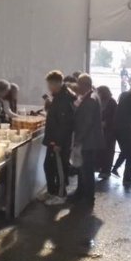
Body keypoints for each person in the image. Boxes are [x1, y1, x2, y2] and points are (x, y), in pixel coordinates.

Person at [41, 70, 76, 205]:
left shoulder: (64, 99)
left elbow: (64, 124)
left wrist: (58, 143)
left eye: (49, 85)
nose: (48, 87)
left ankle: (61, 195)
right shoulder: (59, 96)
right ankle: (51, 192)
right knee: (48, 166)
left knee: (59, 169)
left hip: (59, 141)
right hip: (53, 139)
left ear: (55, 84)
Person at [71, 74, 104, 205]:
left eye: (79, 84)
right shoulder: (92, 96)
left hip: (88, 141)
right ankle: (80, 192)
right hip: (90, 140)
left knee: (87, 170)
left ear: (84, 85)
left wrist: (78, 139)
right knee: (83, 168)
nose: (77, 87)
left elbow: (87, 123)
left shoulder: (90, 100)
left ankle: (88, 197)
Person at [96, 86, 117, 179]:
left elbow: (115, 117)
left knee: (108, 152)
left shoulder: (112, 102)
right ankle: (100, 168)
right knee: (100, 151)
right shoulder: (99, 101)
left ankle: (106, 170)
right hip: (100, 131)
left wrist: (106, 123)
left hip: (109, 132)